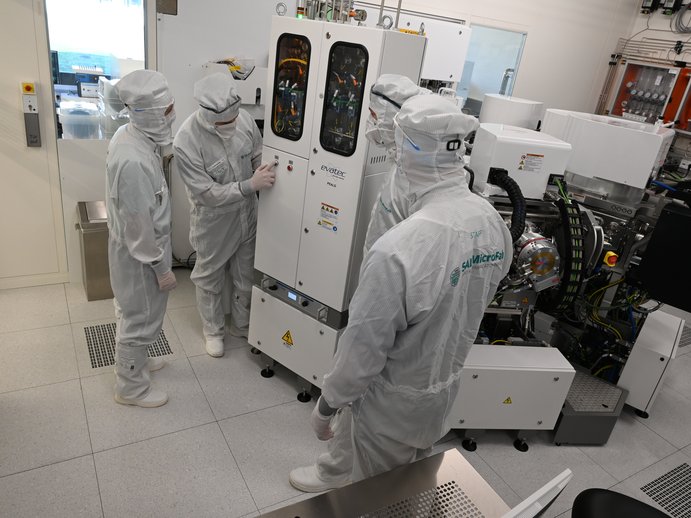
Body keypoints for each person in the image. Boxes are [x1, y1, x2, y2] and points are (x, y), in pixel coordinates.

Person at [303, 94, 513, 483]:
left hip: (389, 407)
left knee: (377, 496)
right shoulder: (490, 219)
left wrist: (326, 406)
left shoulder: (399, 249)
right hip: (440, 392)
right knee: (412, 478)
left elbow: (362, 353)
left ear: (407, 153)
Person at [289, 74, 427, 493]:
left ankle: (342, 475)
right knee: (374, 393)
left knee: (368, 388)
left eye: (371, 113)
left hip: (392, 304)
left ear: (392, 117)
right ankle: (343, 470)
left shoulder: (413, 182)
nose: (365, 120)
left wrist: (328, 402)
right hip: (390, 297)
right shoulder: (407, 170)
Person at [173, 73, 276, 358]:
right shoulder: (186, 141)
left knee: (246, 274)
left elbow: (256, 151)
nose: (230, 126)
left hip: (247, 215)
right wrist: (248, 186)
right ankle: (213, 331)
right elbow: (206, 193)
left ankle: (241, 325)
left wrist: (263, 169)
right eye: (222, 124)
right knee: (209, 278)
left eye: (232, 120)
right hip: (214, 222)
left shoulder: (242, 120)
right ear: (206, 116)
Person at [106, 69, 177, 408]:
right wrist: (161, 267)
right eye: (166, 111)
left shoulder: (131, 135)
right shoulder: (132, 160)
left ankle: (138, 363)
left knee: (137, 312)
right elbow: (139, 227)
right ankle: (131, 387)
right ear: (146, 114)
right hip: (140, 258)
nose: (172, 115)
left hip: (138, 250)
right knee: (139, 316)